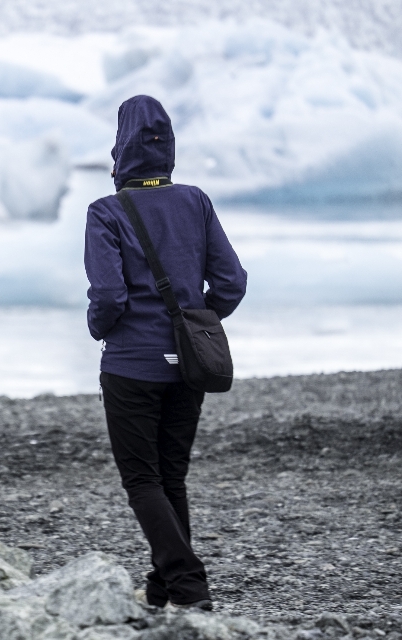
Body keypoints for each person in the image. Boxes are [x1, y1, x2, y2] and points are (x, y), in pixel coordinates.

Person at [84, 95, 247, 609]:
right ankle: (162, 589)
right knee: (171, 476)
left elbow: (108, 295)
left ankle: (188, 583)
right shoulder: (195, 201)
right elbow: (231, 281)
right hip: (188, 365)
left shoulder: (106, 212)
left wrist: (98, 328)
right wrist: (197, 320)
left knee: (142, 479)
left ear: (120, 148)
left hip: (131, 366)